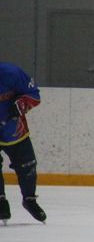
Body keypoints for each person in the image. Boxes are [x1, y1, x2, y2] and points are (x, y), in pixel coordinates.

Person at [1, 62, 46, 224]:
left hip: (14, 129)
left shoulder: (12, 73)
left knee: (27, 165)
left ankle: (29, 200)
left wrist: (21, 104)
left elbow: (33, 94)